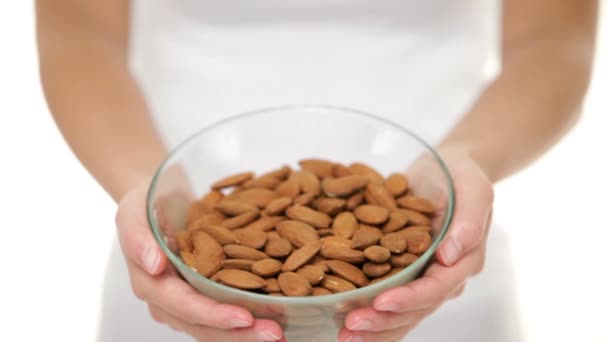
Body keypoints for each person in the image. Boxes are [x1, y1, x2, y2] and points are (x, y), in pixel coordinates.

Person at [36, 0, 597, 341]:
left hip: (436, 261)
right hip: (179, 262)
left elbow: (553, 41)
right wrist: (146, 181)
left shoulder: (418, 226)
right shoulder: (179, 231)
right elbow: (78, 34)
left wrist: (468, 158)